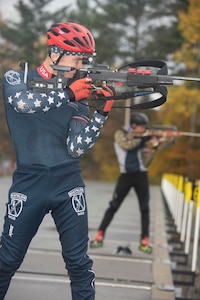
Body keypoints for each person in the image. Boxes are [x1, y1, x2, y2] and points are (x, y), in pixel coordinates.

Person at [0, 22, 115, 300]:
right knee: (7, 261)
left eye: (83, 61)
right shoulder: (16, 77)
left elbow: (76, 149)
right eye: (76, 59)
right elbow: (23, 104)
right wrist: (69, 94)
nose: (79, 66)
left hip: (68, 184)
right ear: (54, 53)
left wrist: (100, 114)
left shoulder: (77, 94)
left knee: (79, 265)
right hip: (29, 183)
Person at [90, 112, 172, 254]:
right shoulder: (120, 134)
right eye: (142, 127)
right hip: (125, 176)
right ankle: (99, 235)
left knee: (144, 208)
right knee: (113, 206)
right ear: (134, 125)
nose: (143, 129)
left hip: (141, 175)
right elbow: (127, 146)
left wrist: (154, 147)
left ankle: (144, 239)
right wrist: (144, 138)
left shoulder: (141, 140)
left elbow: (146, 162)